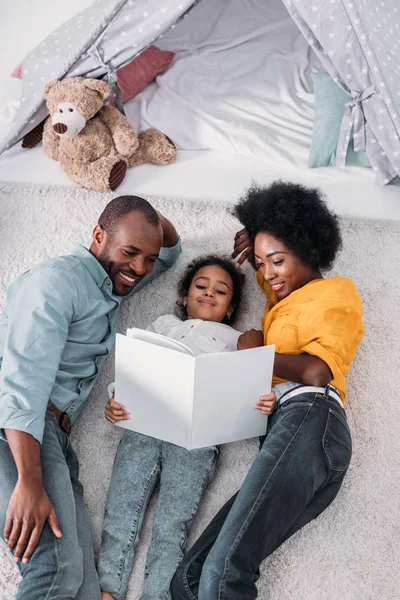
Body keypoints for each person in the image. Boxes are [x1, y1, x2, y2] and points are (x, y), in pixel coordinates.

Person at [170, 181, 364, 600]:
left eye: (277, 261)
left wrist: (255, 352)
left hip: (313, 418)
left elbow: (315, 371)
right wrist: (254, 231)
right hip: (284, 432)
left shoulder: (335, 292)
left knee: (226, 574)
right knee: (188, 580)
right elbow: (268, 271)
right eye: (260, 263)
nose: (268, 273)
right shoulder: (280, 301)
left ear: (309, 250)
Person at [0, 195, 181, 600]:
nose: (140, 268)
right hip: (16, 429)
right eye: (130, 252)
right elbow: (21, 382)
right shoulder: (58, 281)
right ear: (99, 236)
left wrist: (146, 221)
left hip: (56, 439)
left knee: (82, 585)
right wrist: (29, 481)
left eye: (146, 259)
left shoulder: (112, 284)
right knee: (56, 570)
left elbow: (170, 251)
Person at [98, 255, 246, 600]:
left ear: (229, 308)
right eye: (201, 286)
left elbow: (243, 388)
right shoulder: (164, 324)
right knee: (121, 508)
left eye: (220, 291)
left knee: (172, 525)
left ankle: (157, 594)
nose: (209, 293)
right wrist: (116, 397)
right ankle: (107, 587)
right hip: (146, 424)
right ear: (184, 296)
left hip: (194, 438)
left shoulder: (234, 339)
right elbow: (134, 367)